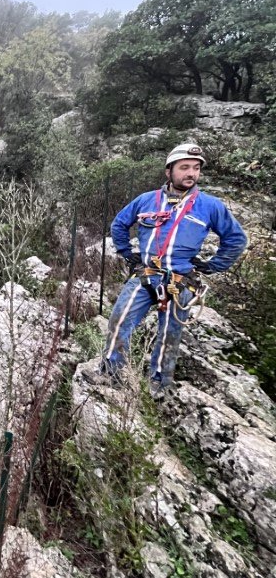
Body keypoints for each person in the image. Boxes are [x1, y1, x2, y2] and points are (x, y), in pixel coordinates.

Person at [101, 142, 247, 397]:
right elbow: (119, 225)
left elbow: (236, 239)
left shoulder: (209, 206)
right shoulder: (147, 200)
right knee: (119, 320)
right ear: (169, 171)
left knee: (170, 334)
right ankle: (110, 372)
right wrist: (128, 254)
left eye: (196, 168)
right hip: (146, 276)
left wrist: (214, 265)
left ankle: (159, 384)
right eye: (184, 167)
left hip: (181, 282)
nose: (191, 173)